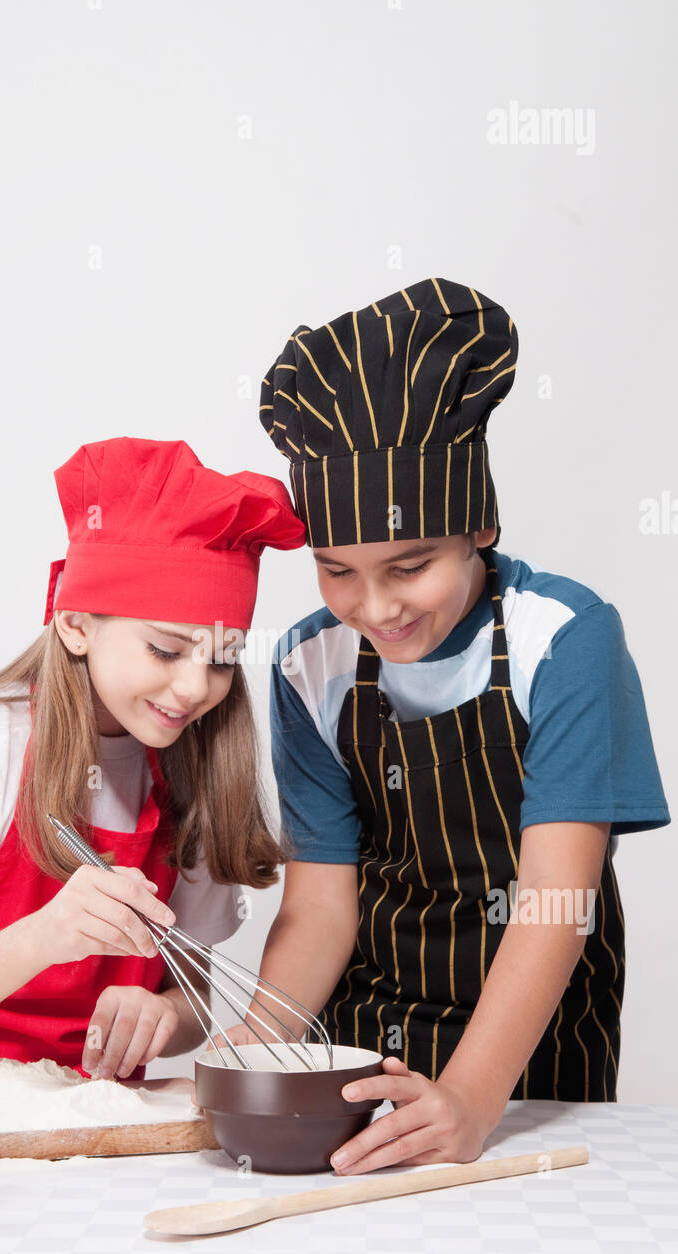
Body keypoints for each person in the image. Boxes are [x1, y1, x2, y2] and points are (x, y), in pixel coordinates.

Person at [246, 276, 670, 1174]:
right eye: (336, 572)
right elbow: (321, 907)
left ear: (476, 524)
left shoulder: (565, 638)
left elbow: (558, 898)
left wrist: (472, 1099)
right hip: (358, 1051)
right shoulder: (303, 665)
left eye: (409, 566)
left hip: (527, 1062)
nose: (376, 607)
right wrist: (251, 1060)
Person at [0, 436, 305, 1094]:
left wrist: (161, 1014)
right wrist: (41, 938)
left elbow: (195, 999)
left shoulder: (199, 772)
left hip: (87, 1138)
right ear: (74, 624)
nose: (192, 688)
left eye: (219, 658)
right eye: (165, 650)